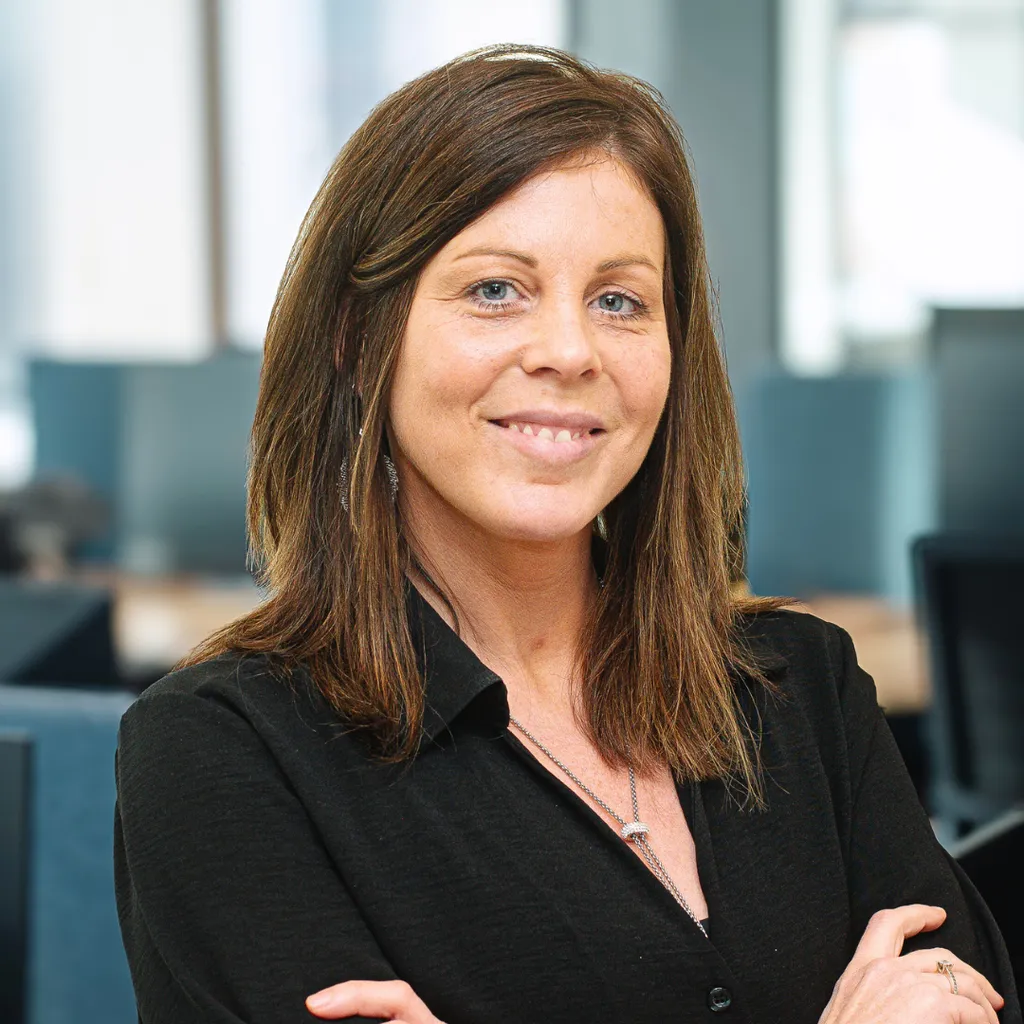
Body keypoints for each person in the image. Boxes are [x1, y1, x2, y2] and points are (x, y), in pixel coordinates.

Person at [113, 44, 1020, 1024]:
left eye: (619, 300)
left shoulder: (803, 692)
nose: (567, 350)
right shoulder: (223, 753)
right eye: (496, 289)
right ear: (355, 334)